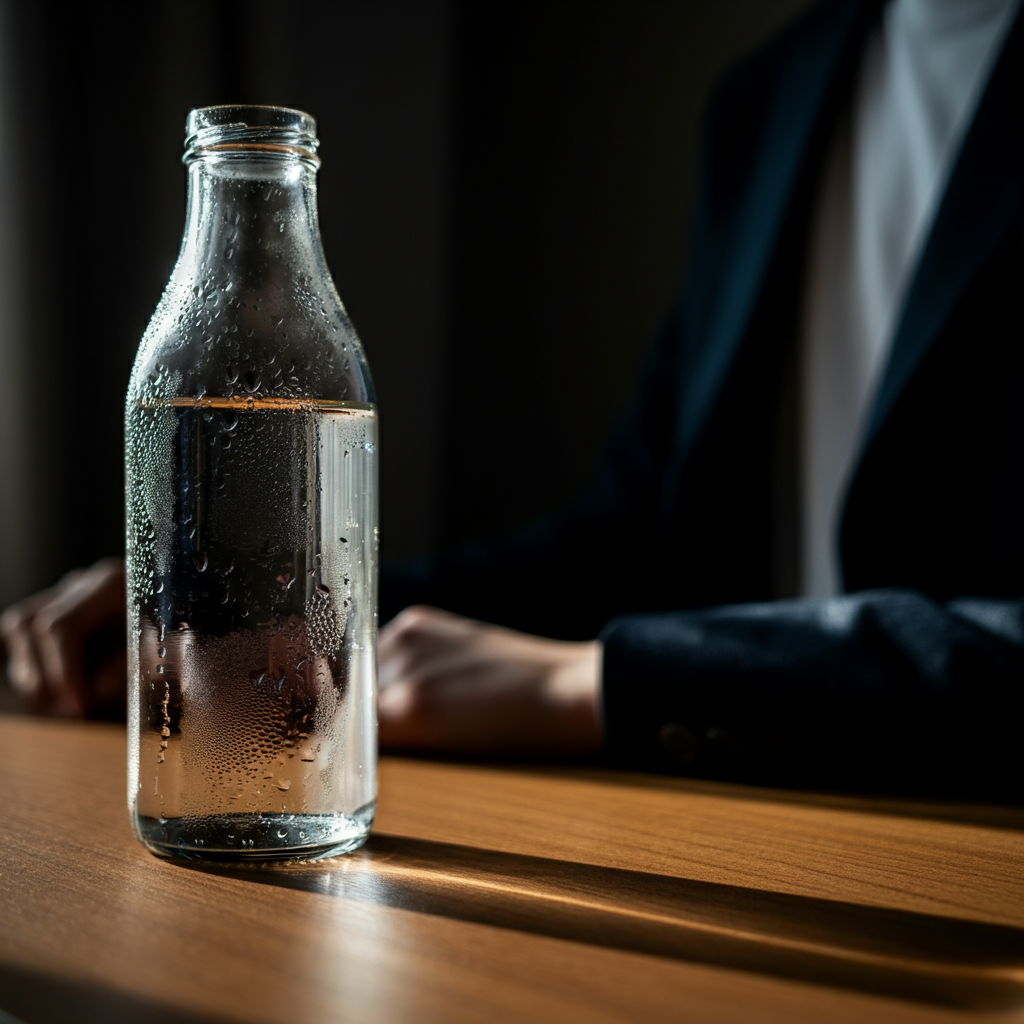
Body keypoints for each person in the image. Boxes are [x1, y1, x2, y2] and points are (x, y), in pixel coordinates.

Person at [4, 0, 1023, 799]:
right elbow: (626, 542)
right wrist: (237, 620)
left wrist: (602, 685)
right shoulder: (769, 100)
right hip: (732, 826)